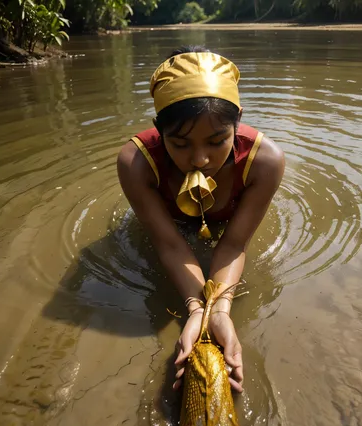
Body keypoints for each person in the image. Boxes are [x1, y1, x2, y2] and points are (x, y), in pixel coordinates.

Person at [117, 45, 285, 393]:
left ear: (238, 119)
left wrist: (219, 312)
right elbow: (169, 243)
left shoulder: (264, 161)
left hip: (228, 226)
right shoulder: (137, 162)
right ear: (158, 130)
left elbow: (235, 242)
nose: (198, 159)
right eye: (179, 143)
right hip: (173, 229)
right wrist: (196, 308)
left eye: (217, 140)